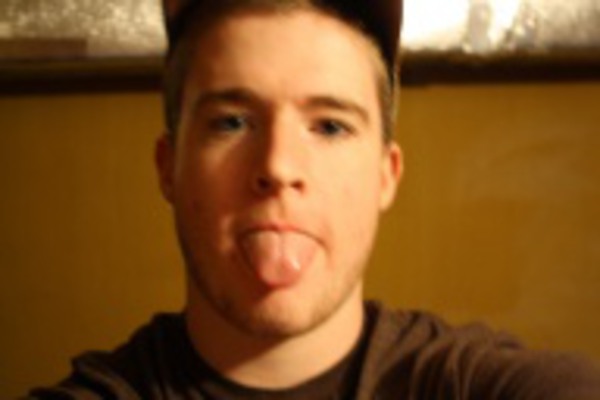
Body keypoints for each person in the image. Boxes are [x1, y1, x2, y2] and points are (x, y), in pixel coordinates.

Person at [27, 0, 600, 398]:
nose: (278, 167)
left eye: (329, 126)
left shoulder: (478, 386)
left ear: (386, 176)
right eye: (231, 121)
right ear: (167, 167)